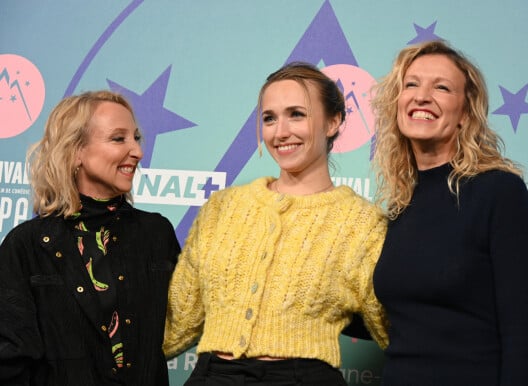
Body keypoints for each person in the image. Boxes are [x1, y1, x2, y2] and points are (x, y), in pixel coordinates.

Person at [163, 62, 389, 386]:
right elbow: (176, 324)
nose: (280, 132)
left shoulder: (363, 224)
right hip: (211, 376)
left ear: (333, 121)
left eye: (297, 114)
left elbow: (394, 329)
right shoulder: (221, 209)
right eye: (269, 118)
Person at [371, 40, 528, 386]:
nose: (422, 96)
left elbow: (520, 334)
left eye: (442, 88)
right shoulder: (401, 204)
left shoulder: (498, 191)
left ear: (465, 114)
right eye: (412, 84)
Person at [0, 90, 181, 385]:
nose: (137, 151)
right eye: (118, 138)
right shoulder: (27, 245)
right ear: (76, 152)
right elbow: (10, 361)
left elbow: (186, 321)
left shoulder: (156, 233)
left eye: (136, 138)